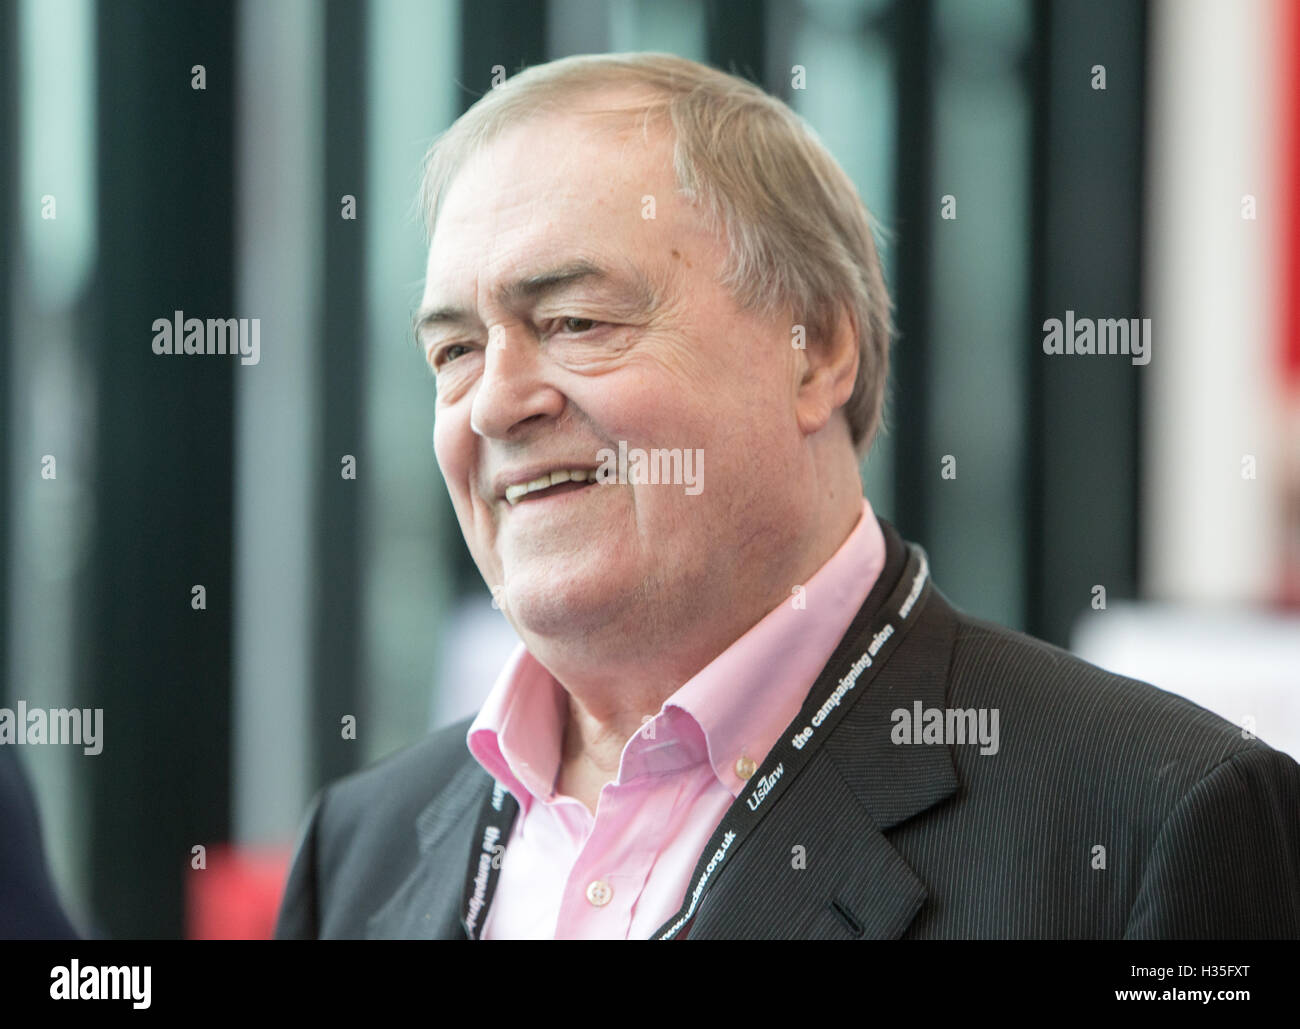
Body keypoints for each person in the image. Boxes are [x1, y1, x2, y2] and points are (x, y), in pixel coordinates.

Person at [274, 52, 1300, 939]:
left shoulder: (1152, 822)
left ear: (816, 352)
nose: (495, 402)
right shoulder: (364, 847)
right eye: (453, 350)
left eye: (577, 321)